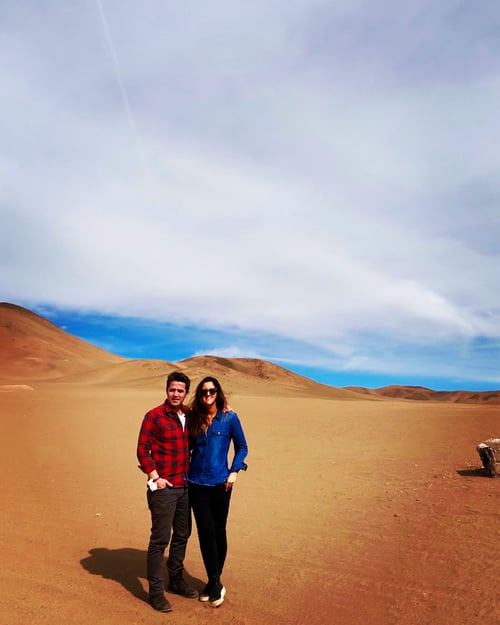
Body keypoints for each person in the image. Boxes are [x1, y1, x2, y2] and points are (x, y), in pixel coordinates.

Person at [136, 370, 199, 612]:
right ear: (167, 390)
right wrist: (155, 477)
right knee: (160, 539)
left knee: (182, 535)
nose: (175, 394)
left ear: (186, 394)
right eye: (172, 389)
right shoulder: (154, 416)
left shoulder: (189, 415)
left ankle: (176, 580)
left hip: (185, 486)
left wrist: (225, 408)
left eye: (180, 391)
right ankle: (155, 591)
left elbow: (209, 418)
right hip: (164, 488)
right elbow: (143, 449)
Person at [188, 376, 248, 608]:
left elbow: (242, 446)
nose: (208, 395)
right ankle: (215, 580)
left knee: (218, 529)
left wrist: (235, 470)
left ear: (218, 392)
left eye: (212, 391)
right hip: (195, 482)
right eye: (203, 392)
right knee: (205, 531)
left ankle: (214, 580)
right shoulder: (194, 417)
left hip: (221, 483)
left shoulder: (230, 418)